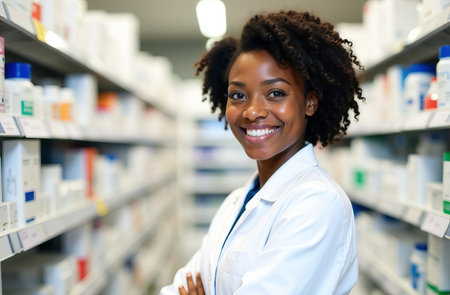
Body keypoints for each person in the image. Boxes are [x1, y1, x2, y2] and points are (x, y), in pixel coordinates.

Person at [161, 10, 364, 295]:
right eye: (238, 95)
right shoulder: (237, 202)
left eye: (276, 93)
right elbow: (179, 287)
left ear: (310, 103)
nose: (253, 111)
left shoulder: (318, 204)